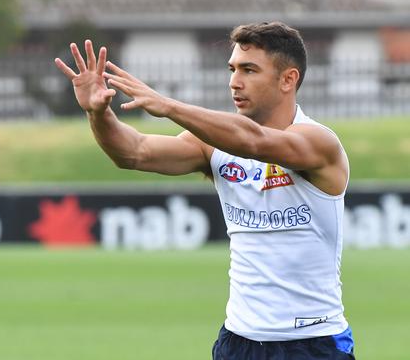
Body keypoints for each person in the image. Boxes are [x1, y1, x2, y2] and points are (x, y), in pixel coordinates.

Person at [55, 22, 354, 359]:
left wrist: (168, 106)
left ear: (288, 79)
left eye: (249, 70)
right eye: (232, 69)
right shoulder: (215, 144)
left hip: (313, 342)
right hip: (238, 341)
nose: (234, 81)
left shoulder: (319, 142)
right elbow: (134, 152)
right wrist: (98, 113)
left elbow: (254, 142)